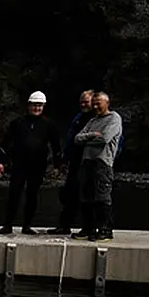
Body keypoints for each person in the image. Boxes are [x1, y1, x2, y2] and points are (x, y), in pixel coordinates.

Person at [0, 91, 62, 235]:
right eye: (34, 105)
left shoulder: (49, 124)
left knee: (32, 195)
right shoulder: (17, 123)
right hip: (19, 164)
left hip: (38, 165)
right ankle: (8, 225)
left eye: (39, 105)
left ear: (43, 106)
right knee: (14, 194)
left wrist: (57, 165)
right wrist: (1, 161)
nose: (37, 108)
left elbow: (56, 146)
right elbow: (5, 143)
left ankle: (27, 225)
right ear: (29, 105)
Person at [73, 91, 123, 241]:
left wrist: (88, 138)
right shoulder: (93, 120)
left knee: (102, 197)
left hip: (103, 162)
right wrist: (91, 135)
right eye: (93, 103)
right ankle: (88, 228)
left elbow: (105, 139)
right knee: (86, 196)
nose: (95, 106)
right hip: (87, 161)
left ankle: (105, 229)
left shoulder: (114, 118)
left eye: (98, 103)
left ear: (107, 103)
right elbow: (77, 138)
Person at [47, 90, 95, 235]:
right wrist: (64, 159)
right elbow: (70, 139)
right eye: (81, 101)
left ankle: (89, 227)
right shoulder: (78, 117)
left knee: (88, 196)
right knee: (69, 194)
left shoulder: (97, 119)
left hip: (90, 161)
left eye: (86, 101)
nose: (83, 104)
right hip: (74, 161)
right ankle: (64, 225)